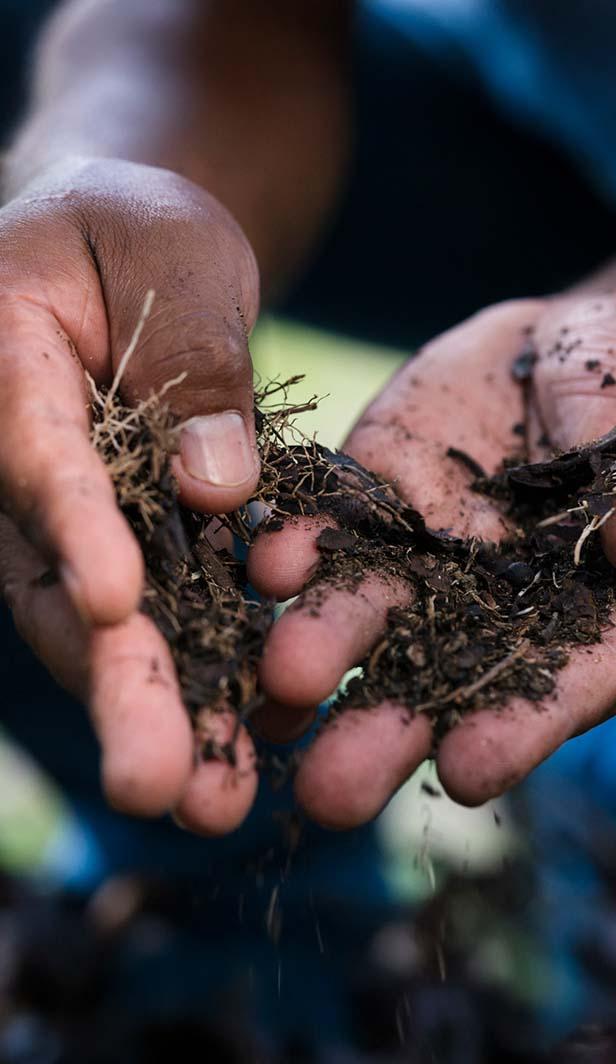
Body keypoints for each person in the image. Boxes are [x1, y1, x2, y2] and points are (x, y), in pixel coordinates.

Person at [2, 0, 616, 1049]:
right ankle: (218, 919)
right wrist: (114, 181)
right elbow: (230, 25)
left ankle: (592, 796)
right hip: (528, 122)